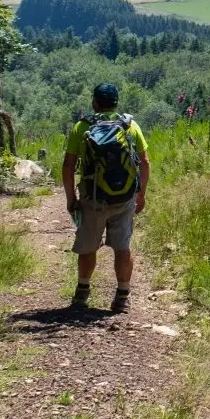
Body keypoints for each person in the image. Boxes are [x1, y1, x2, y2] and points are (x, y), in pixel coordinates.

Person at [61, 82, 150, 312]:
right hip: (125, 198)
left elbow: (68, 165)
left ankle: (82, 292)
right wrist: (141, 194)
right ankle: (122, 296)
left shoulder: (82, 127)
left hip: (92, 198)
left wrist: (71, 198)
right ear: (116, 102)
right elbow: (145, 162)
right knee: (122, 247)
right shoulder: (130, 126)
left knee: (88, 247)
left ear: (95, 102)